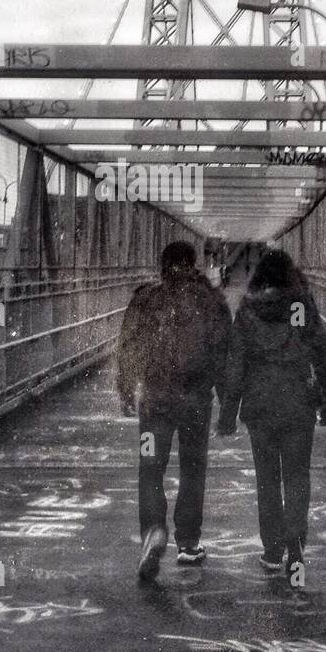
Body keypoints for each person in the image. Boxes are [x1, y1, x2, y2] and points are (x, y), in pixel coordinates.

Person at [216, 248, 326, 585]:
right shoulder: (300, 306)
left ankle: (272, 551)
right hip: (298, 403)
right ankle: (296, 544)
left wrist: (227, 415)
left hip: (259, 407)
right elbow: (321, 353)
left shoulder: (248, 311)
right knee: (297, 476)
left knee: (267, 481)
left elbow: (235, 365)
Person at [117, 240, 232, 580]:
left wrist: (125, 390)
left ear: (163, 266)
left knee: (151, 468)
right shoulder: (212, 301)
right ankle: (188, 543)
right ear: (193, 263)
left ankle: (153, 530)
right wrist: (227, 403)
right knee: (193, 469)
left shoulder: (146, 298)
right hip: (196, 401)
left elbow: (129, 345)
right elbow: (223, 354)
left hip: (154, 402)